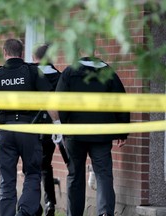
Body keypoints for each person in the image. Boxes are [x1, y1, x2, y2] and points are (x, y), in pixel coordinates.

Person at [0, 38, 61, 216]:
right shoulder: (33, 72)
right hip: (29, 130)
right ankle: (25, 213)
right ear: (22, 52)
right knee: (33, 174)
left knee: (7, 180)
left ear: (4, 52)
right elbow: (49, 100)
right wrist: (57, 124)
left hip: (5, 132)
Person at [55, 54, 130, 216]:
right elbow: (121, 101)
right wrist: (123, 131)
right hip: (101, 134)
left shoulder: (69, 72)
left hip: (75, 134)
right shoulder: (108, 72)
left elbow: (60, 102)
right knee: (103, 174)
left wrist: (62, 127)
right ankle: (105, 213)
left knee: (75, 175)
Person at [33, 44, 60, 216]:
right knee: (46, 165)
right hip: (52, 126)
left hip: (32, 125)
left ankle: (35, 205)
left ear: (36, 57)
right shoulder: (60, 75)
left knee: (32, 166)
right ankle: (50, 202)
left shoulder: (30, 74)